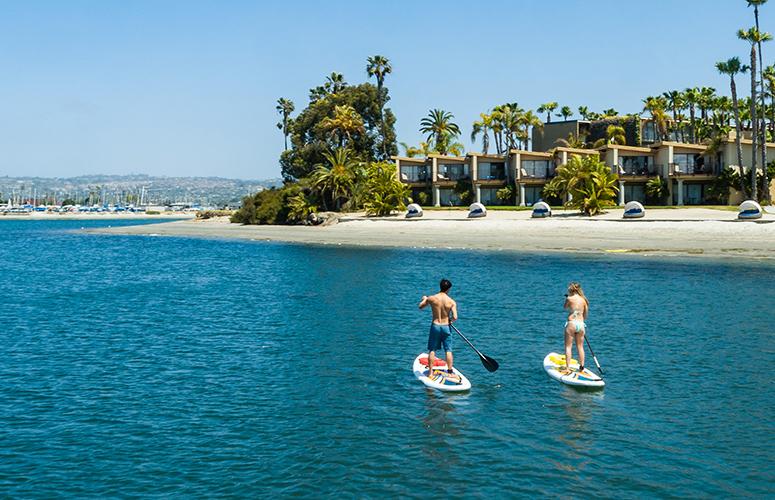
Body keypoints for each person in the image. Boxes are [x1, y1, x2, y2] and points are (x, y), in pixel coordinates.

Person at [418, 279, 457, 378]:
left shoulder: (432, 298)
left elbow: (420, 307)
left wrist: (424, 299)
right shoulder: (451, 301)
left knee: (432, 350)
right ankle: (450, 372)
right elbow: (455, 317)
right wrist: (450, 321)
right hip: (446, 327)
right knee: (448, 350)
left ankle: (430, 373)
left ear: (440, 287)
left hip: (435, 326)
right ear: (448, 289)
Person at [561, 282, 589, 375]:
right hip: (581, 325)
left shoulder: (569, 298)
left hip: (572, 324)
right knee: (580, 347)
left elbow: (565, 307)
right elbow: (585, 315)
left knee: (568, 347)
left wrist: (567, 298)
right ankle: (582, 368)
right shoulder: (584, 300)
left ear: (571, 290)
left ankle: (567, 368)